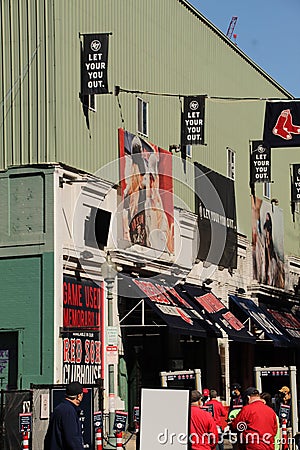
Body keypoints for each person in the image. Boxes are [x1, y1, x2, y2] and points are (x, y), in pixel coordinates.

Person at [44, 381, 88, 450]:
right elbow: (72, 439)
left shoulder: (59, 408)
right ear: (78, 396)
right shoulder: (68, 411)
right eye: (82, 394)